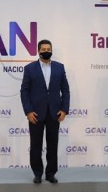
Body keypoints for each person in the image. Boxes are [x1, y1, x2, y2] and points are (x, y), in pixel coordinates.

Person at [20, 40, 70, 184]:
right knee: (35, 145)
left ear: (51, 50)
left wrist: (64, 109)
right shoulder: (30, 68)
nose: (46, 51)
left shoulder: (59, 67)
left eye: (49, 49)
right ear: (38, 51)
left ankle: (50, 174)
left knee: (53, 145)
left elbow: (65, 90)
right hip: (35, 113)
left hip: (55, 113)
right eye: (43, 49)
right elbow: (24, 91)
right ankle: (37, 173)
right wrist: (28, 111)